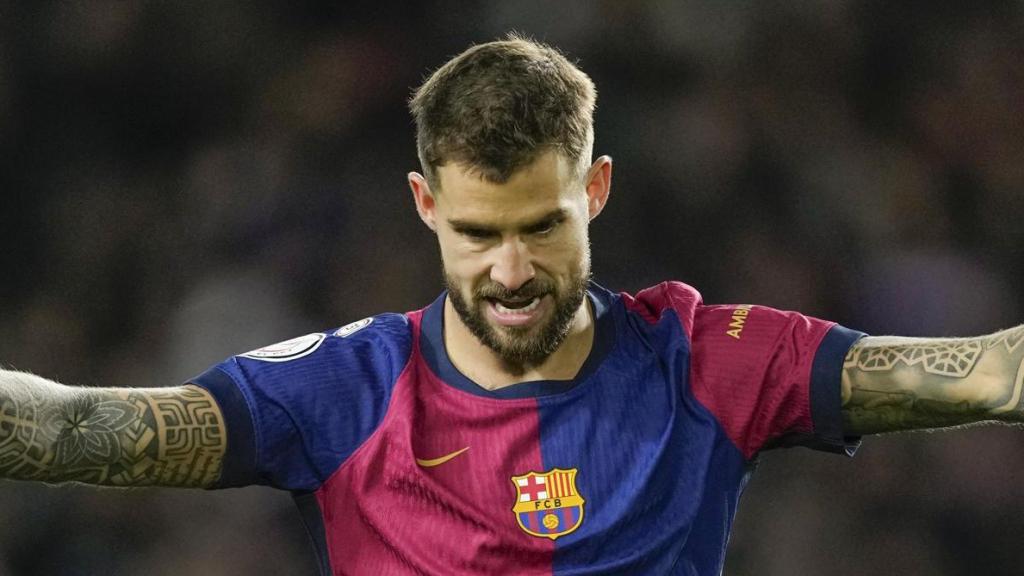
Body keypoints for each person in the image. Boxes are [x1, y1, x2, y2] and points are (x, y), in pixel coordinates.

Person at [1, 34, 1022, 575]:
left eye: (541, 225)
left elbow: (988, 369)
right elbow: (75, 428)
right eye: (477, 233)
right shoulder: (343, 392)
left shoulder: (710, 360)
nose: (511, 270)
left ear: (597, 192)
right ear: (424, 205)